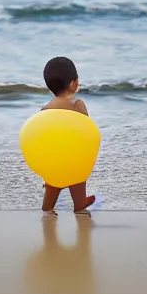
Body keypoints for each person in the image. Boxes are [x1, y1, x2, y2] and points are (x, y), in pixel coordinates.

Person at [40, 57, 96, 216]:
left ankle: (47, 208)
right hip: (73, 157)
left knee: (52, 184)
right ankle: (79, 203)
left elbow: (41, 134)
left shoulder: (46, 109)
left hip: (52, 159)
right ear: (74, 83)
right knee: (78, 177)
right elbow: (87, 130)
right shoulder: (77, 104)